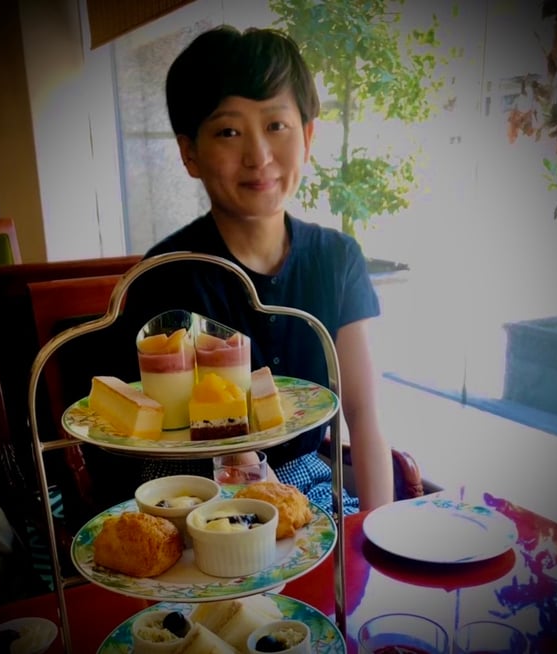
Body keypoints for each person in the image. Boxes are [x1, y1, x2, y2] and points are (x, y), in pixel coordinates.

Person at [120, 24, 393, 514]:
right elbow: (225, 449)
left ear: (307, 136)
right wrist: (290, 525)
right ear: (189, 153)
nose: (259, 156)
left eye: (276, 126)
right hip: (194, 497)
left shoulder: (338, 259)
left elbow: (364, 412)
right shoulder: (167, 275)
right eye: (229, 131)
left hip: (307, 483)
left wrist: (377, 530)